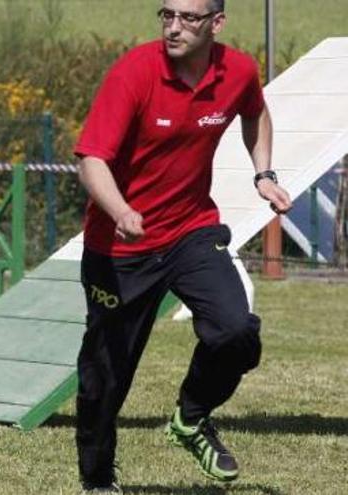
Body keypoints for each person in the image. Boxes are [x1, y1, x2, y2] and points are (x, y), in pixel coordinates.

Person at [72, 1, 293, 492]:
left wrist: (264, 174)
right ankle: (98, 479)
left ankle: (191, 418)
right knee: (104, 378)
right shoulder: (134, 72)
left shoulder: (237, 71)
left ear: (216, 23)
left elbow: (256, 114)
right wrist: (121, 210)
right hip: (119, 248)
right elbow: (91, 159)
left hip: (190, 230)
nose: (173, 27)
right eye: (166, 14)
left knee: (236, 331)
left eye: (187, 18)